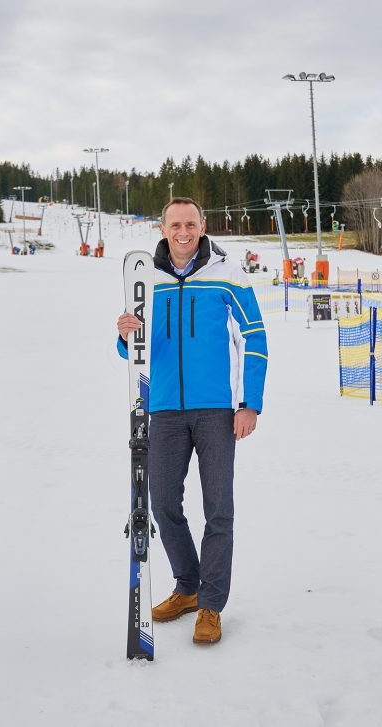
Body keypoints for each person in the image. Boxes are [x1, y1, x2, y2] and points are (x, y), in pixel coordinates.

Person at [116, 197, 268, 645]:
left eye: (190, 224)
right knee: (162, 502)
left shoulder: (227, 274)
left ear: (203, 226)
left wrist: (250, 403)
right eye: (174, 224)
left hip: (217, 411)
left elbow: (254, 338)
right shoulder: (148, 278)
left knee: (218, 509)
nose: (182, 232)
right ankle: (187, 585)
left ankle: (211, 605)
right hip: (162, 408)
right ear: (162, 228)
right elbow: (135, 353)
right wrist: (124, 335)